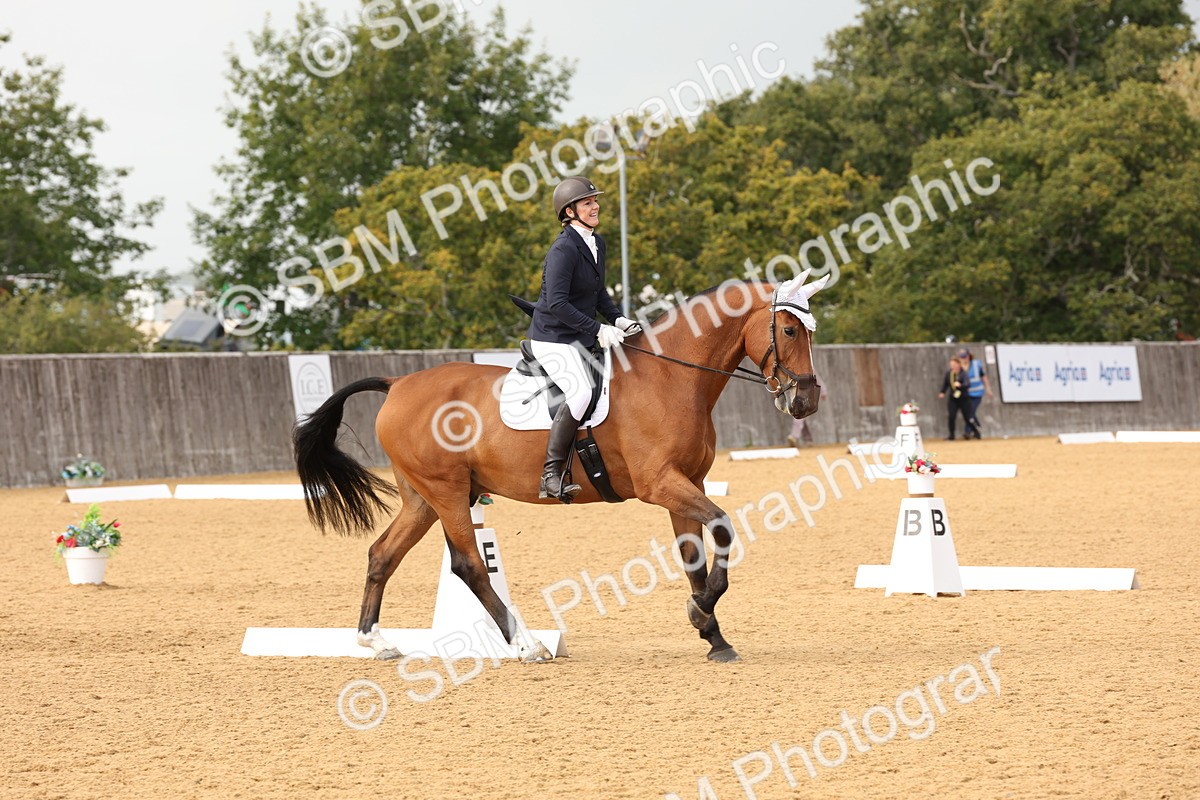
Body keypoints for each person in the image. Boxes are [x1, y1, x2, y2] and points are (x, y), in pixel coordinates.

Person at [527, 177, 639, 501]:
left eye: (595, 201)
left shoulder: (596, 243)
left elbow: (597, 292)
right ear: (569, 211)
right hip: (553, 338)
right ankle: (550, 474)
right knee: (579, 393)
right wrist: (598, 329)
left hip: (579, 336)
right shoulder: (563, 249)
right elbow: (558, 303)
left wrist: (617, 318)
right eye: (587, 202)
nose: (595, 206)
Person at [958, 347, 992, 439]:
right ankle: (977, 429)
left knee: (970, 412)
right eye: (961, 357)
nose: (963, 359)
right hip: (965, 395)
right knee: (969, 413)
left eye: (965, 356)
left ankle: (967, 432)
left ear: (969, 356)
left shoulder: (976, 364)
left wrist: (988, 389)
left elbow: (983, 377)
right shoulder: (959, 367)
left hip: (977, 393)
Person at [786, 372, 827, 447]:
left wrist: (823, 391)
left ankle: (794, 436)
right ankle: (808, 439)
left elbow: (816, 377)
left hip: (809, 394)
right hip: (798, 395)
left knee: (800, 415)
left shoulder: (807, 365)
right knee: (802, 417)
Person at [938, 357, 974, 440]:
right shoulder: (949, 373)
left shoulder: (963, 373)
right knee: (951, 416)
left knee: (967, 417)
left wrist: (960, 385)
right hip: (953, 398)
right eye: (951, 365)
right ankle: (951, 435)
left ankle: (975, 431)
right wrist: (942, 392)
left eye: (954, 364)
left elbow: (967, 384)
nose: (952, 366)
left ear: (958, 364)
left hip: (964, 398)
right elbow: (946, 384)